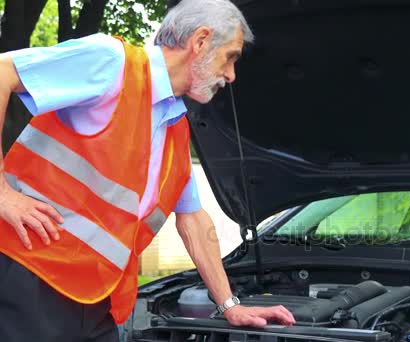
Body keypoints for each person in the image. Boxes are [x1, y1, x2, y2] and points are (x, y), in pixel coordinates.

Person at [0, 0, 295, 340]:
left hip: (95, 300)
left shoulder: (175, 128)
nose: (231, 75)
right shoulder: (111, 61)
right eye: (230, 56)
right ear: (200, 41)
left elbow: (194, 220)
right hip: (29, 276)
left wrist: (229, 304)